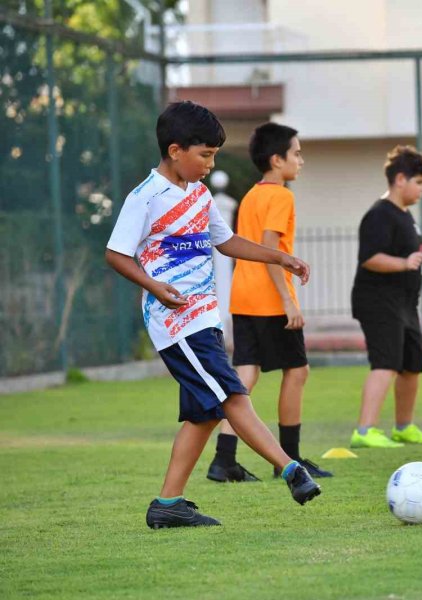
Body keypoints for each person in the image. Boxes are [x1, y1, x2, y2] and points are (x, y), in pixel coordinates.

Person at [105, 102, 321, 529]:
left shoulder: (199, 195)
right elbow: (115, 253)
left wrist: (280, 257)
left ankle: (168, 504)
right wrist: (154, 286)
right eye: (205, 155)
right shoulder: (145, 197)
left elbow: (228, 242)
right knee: (231, 395)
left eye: (214, 156)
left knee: (204, 413)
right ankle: (290, 468)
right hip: (176, 322)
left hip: (204, 319)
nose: (210, 164)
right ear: (174, 150)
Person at [206, 122, 332, 483]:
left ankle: (224, 460)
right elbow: (270, 249)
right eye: (296, 154)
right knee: (298, 371)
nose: (301, 161)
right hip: (269, 301)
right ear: (277, 160)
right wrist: (288, 303)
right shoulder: (281, 196)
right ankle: (288, 460)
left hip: (242, 297)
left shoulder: (250, 196)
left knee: (246, 374)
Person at [349, 145, 422, 449]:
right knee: (385, 363)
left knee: (412, 365)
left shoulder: (406, 216)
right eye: (419, 183)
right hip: (378, 301)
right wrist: (404, 263)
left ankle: (404, 427)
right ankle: (364, 431)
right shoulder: (379, 214)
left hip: (405, 304)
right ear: (400, 179)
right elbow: (369, 258)